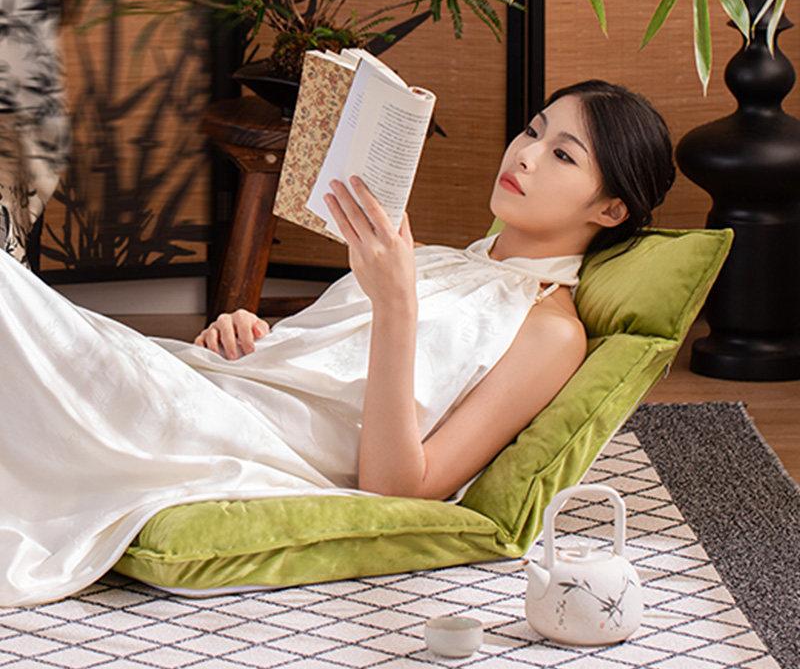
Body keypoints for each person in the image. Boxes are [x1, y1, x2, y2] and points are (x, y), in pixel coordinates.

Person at [0, 78, 675, 607]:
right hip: (209, 388)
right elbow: (325, 370)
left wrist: (396, 305)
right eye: (533, 130)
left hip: (227, 437)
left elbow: (402, 488)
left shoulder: (549, 331)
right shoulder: (434, 259)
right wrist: (249, 336)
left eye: (562, 154)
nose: (524, 154)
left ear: (610, 209)